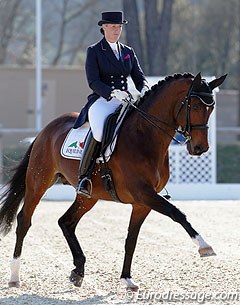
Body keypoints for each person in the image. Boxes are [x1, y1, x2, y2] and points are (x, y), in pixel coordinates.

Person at [76, 11, 149, 197]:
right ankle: (84, 177)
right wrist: (111, 92)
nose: (117, 30)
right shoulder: (94, 51)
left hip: (125, 99)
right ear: (104, 28)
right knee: (100, 130)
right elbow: (93, 81)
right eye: (113, 27)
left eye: (119, 27)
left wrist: (144, 90)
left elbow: (139, 77)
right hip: (103, 99)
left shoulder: (128, 51)